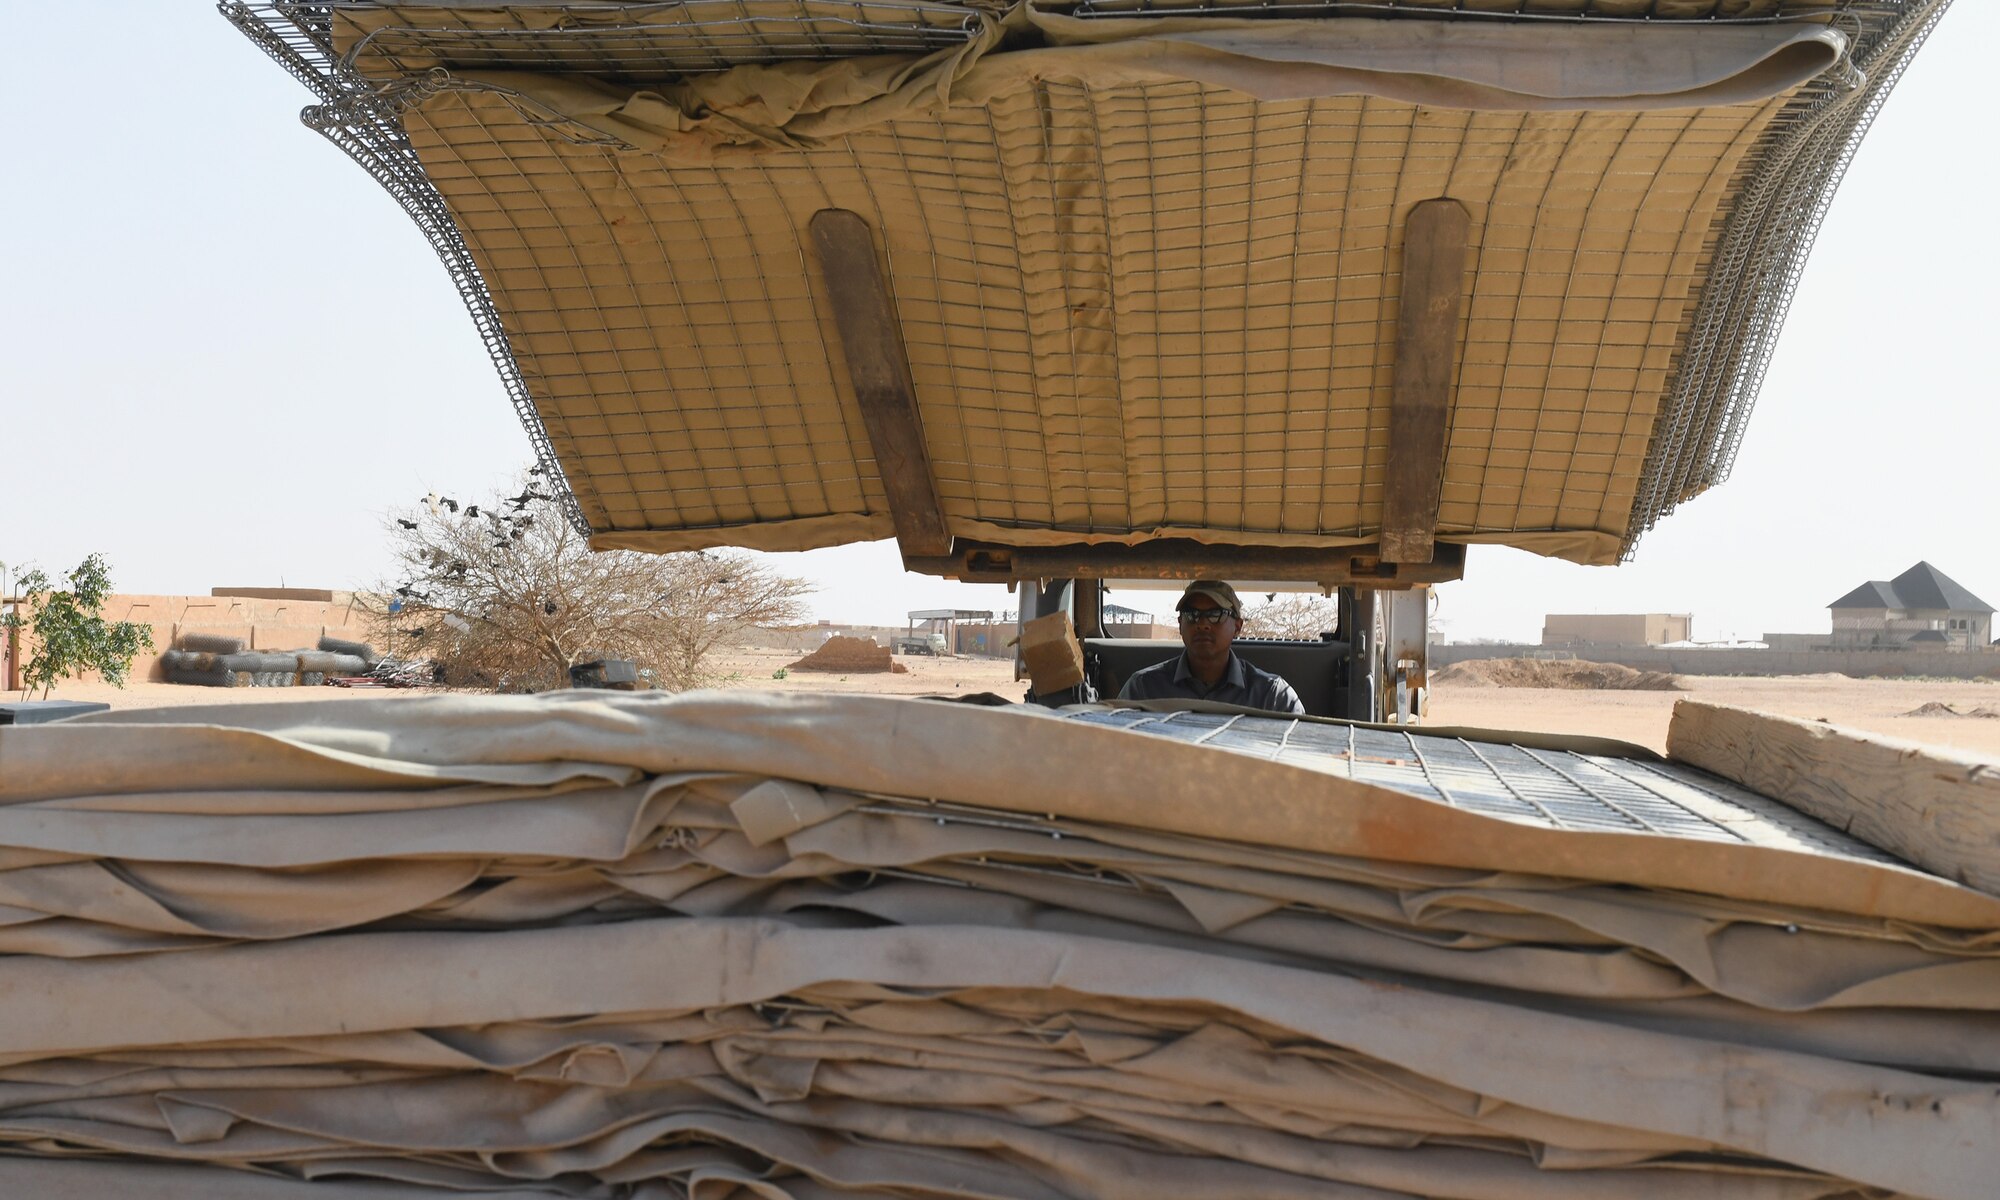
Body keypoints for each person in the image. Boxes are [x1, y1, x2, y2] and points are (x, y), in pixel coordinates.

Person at [1117, 580, 1305, 714]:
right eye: (1192, 615)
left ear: (1237, 626)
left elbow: (1301, 756)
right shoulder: (1143, 689)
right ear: (1180, 624)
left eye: (1215, 614)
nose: (1202, 624)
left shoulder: (1272, 696)